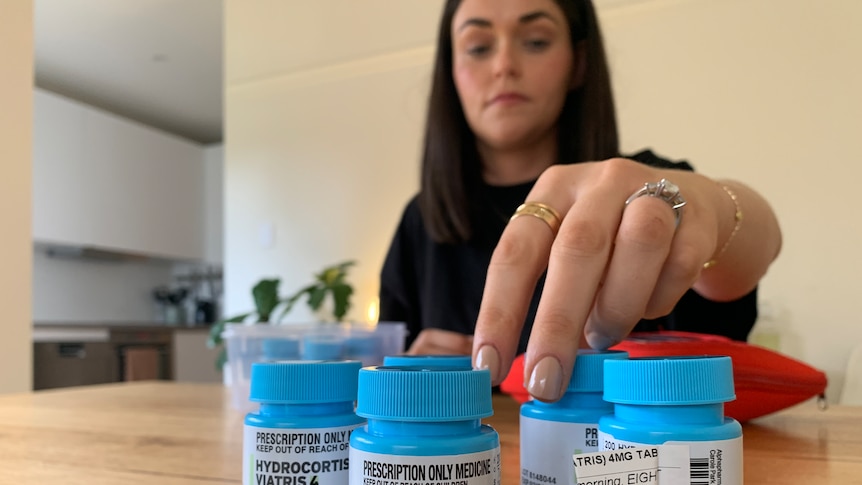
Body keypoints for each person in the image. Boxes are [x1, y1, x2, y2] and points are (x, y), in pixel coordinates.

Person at [378, 0, 782, 402]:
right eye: (479, 47)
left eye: (535, 41)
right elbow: (388, 363)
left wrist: (713, 206)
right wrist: (411, 379)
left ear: (579, 62)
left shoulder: (648, 189)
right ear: (450, 72)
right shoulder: (421, 220)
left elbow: (758, 246)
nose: (503, 66)